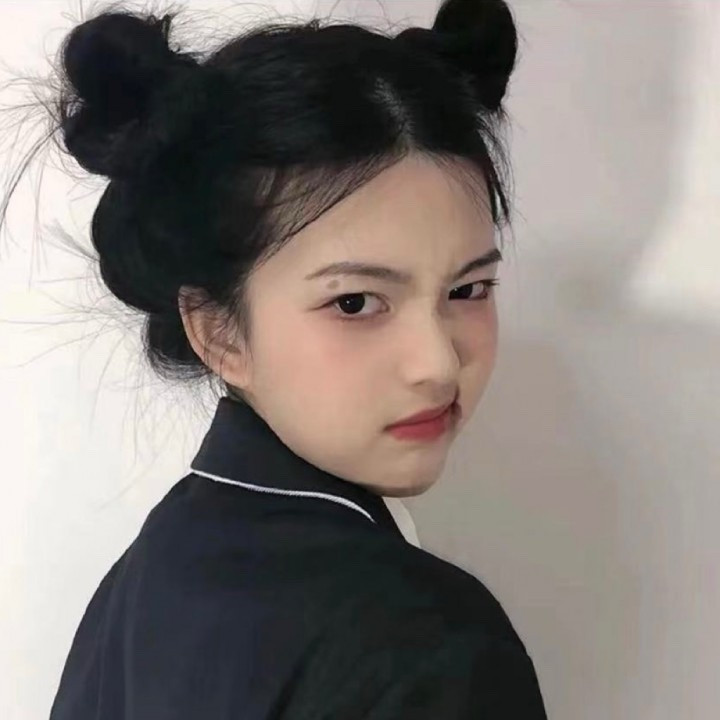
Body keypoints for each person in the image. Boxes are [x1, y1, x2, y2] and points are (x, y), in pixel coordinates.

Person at [5, 0, 549, 716]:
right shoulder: (430, 642)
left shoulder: (147, 577)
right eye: (355, 302)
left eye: (468, 289)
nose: (438, 364)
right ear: (218, 331)